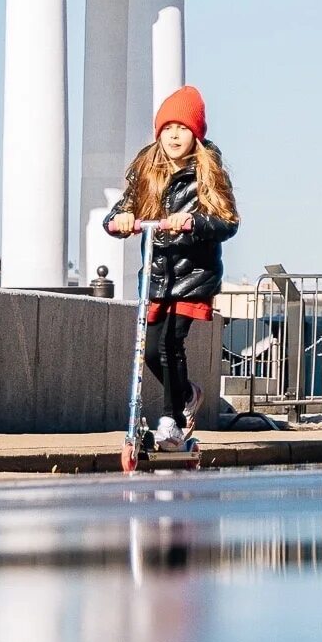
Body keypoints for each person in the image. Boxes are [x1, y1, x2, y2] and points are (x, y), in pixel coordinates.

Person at [104, 86, 237, 455]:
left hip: (193, 275)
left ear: (196, 133)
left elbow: (227, 221)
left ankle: (170, 420)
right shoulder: (147, 171)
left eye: (182, 128)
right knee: (148, 351)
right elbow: (117, 213)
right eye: (168, 128)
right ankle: (188, 394)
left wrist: (194, 223)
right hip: (158, 275)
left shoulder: (208, 174)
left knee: (169, 343)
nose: (174, 135)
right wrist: (122, 220)